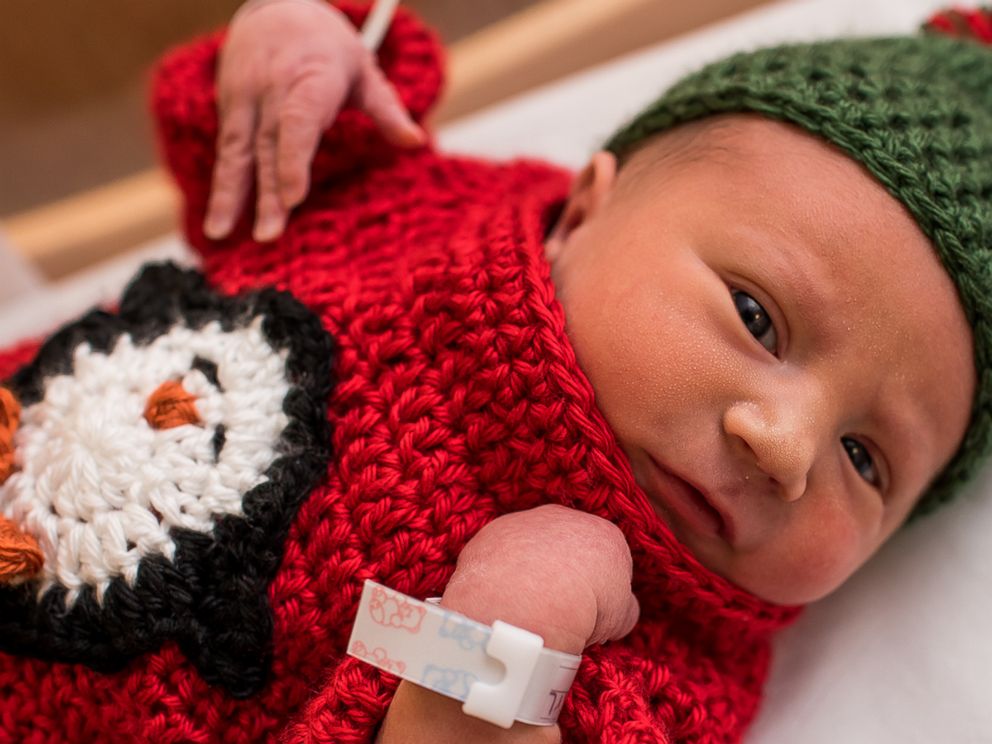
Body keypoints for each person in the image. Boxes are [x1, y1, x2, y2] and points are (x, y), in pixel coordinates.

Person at [0, 1, 988, 741]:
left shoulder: (664, 659)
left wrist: (493, 653)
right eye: (754, 316)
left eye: (866, 459)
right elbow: (253, 190)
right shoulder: (437, 205)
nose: (786, 445)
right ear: (587, 208)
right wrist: (290, 61)